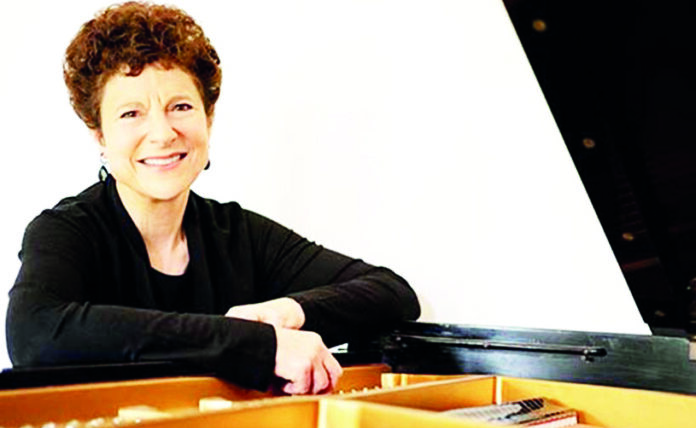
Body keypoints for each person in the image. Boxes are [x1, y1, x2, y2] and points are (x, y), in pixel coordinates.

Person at [5, 2, 420, 395]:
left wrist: (287, 312)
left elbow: (393, 293)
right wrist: (255, 345)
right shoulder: (66, 230)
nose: (162, 133)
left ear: (209, 118)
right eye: (131, 113)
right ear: (100, 136)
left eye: (180, 107)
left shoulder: (239, 234)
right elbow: (33, 334)